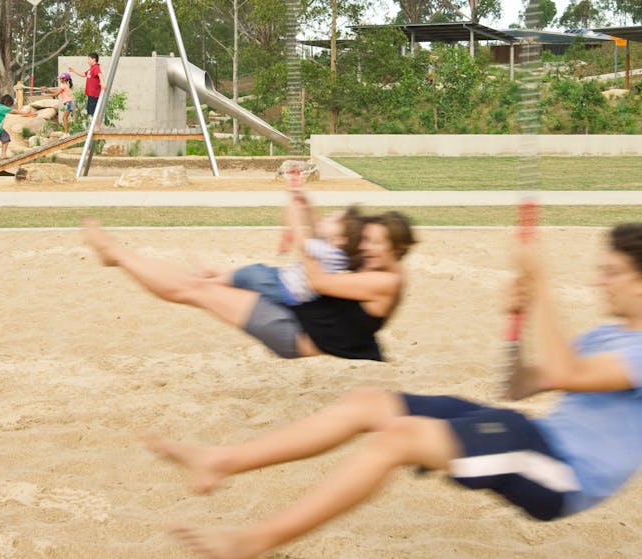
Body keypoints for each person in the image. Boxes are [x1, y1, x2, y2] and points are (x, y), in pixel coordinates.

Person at [148, 223, 642, 559]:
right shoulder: (606, 336)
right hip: (529, 432)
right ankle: (220, 462)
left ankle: (255, 541)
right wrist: (522, 312)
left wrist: (542, 286)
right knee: (369, 403)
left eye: (612, 271)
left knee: (398, 439)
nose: (601, 280)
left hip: (561, 474)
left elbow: (568, 372)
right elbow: (528, 383)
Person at [83, 204, 415, 361]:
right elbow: (336, 242)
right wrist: (305, 206)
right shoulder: (378, 267)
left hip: (290, 332)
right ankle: (118, 255)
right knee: (198, 287)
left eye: (376, 242)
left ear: (396, 249)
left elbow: (318, 278)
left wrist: (298, 229)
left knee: (195, 290)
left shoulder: (384, 282)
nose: (367, 247)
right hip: (292, 314)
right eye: (367, 240)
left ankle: (116, 255)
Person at [201, 170, 364, 307]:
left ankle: (206, 285)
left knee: (250, 275)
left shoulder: (329, 252)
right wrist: (306, 202)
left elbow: (302, 242)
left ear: (342, 239)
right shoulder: (337, 252)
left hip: (285, 289)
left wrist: (293, 213)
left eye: (332, 220)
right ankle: (213, 272)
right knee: (254, 270)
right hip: (284, 280)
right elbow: (317, 227)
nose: (326, 219)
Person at [0, 94, 33, 165]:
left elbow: (12, 111)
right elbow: (13, 111)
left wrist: (24, 114)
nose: (9, 106)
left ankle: (3, 155)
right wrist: (25, 113)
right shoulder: (2, 108)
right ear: (6, 102)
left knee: (6, 139)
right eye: (9, 104)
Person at [68, 52, 106, 125]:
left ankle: (97, 127)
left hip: (94, 94)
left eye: (89, 59)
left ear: (94, 59)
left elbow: (100, 75)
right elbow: (83, 74)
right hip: (90, 94)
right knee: (91, 111)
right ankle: (95, 127)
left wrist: (102, 83)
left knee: (93, 111)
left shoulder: (96, 67)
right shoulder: (91, 69)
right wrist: (74, 70)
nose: (87, 61)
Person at [41, 72, 74, 136]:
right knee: (65, 118)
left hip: (68, 103)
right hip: (69, 103)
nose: (60, 79)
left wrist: (46, 94)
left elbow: (56, 94)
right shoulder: (65, 85)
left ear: (64, 79)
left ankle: (67, 133)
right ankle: (66, 133)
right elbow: (56, 91)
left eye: (61, 78)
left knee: (64, 118)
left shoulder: (63, 85)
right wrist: (47, 89)